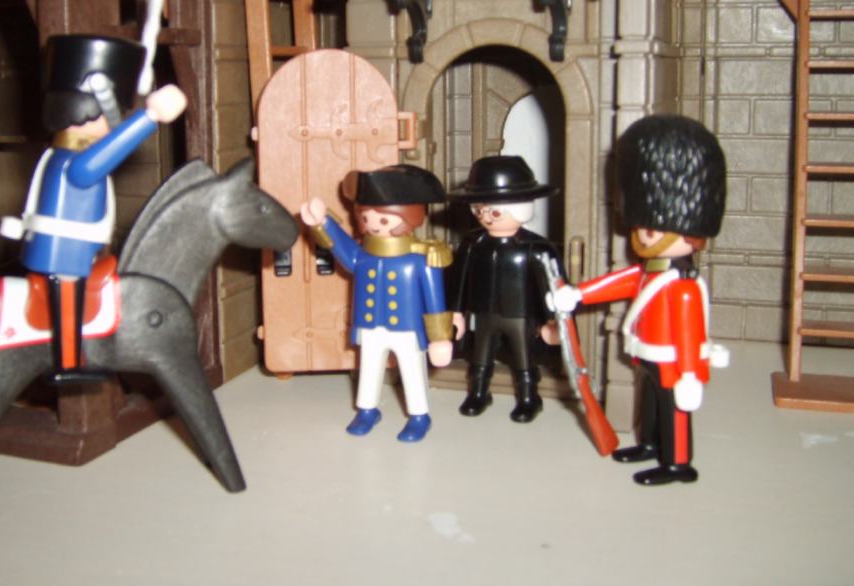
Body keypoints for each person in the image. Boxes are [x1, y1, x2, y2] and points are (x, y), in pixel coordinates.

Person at [552, 115, 728, 485]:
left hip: (673, 361)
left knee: (674, 409)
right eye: (642, 228)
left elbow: (689, 333)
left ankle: (677, 462)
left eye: (652, 230)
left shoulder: (682, 286)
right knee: (648, 403)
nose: (644, 237)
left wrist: (690, 375)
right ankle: (648, 444)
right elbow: (620, 282)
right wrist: (578, 294)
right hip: (646, 352)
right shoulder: (651, 272)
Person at [1, 34, 187, 383]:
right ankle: (68, 361)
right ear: (89, 109)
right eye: (109, 114)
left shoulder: (60, 154)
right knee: (69, 288)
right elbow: (102, 160)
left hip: (71, 245)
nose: (111, 123)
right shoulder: (76, 161)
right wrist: (150, 117)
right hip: (63, 251)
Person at [300, 165, 458, 442]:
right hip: (370, 325)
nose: (373, 225)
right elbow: (343, 250)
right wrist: (323, 223)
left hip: (408, 329)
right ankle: (367, 410)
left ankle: (419, 415)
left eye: (383, 219)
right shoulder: (363, 257)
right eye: (366, 217)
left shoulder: (421, 259)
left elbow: (435, 300)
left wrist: (440, 338)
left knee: (412, 371)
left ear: (411, 217)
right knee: (369, 368)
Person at [446, 155, 562, 422]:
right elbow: (459, 280)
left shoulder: (536, 248)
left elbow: (552, 286)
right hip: (484, 312)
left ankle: (529, 397)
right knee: (480, 354)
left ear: (520, 209)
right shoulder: (472, 245)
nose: (486, 217)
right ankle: (478, 392)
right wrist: (456, 313)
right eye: (480, 211)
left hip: (521, 315)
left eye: (494, 212)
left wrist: (552, 320)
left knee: (523, 356)